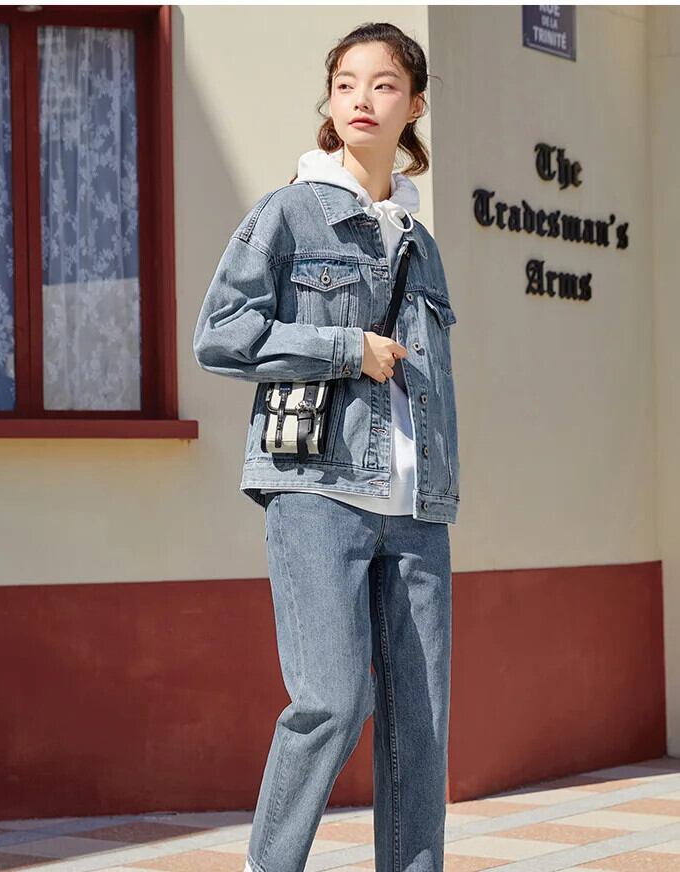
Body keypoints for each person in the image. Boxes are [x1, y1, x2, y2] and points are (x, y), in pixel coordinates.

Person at [193, 21, 459, 872]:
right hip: (316, 491)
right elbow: (220, 335)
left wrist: (439, 487)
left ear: (415, 105)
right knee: (331, 704)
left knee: (420, 729)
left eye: (383, 85)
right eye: (346, 84)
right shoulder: (288, 212)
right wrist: (344, 348)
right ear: (331, 101)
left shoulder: (420, 240)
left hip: (415, 509)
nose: (361, 100)